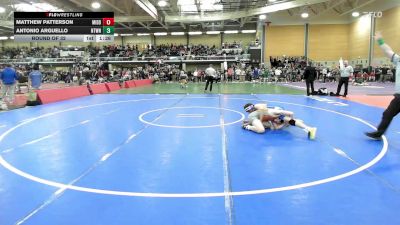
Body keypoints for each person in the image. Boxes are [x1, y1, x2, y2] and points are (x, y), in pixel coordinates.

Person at [365, 31, 400, 140]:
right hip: (399, 97)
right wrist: (380, 41)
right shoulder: (398, 60)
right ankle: (379, 133)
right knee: (387, 114)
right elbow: (388, 51)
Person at [242, 103, 317, 139]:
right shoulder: (273, 112)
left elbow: (275, 128)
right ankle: (248, 126)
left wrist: (287, 123)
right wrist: (289, 120)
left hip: (263, 117)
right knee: (263, 128)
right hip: (264, 115)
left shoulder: (276, 117)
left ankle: (309, 129)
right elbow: (291, 113)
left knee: (271, 126)